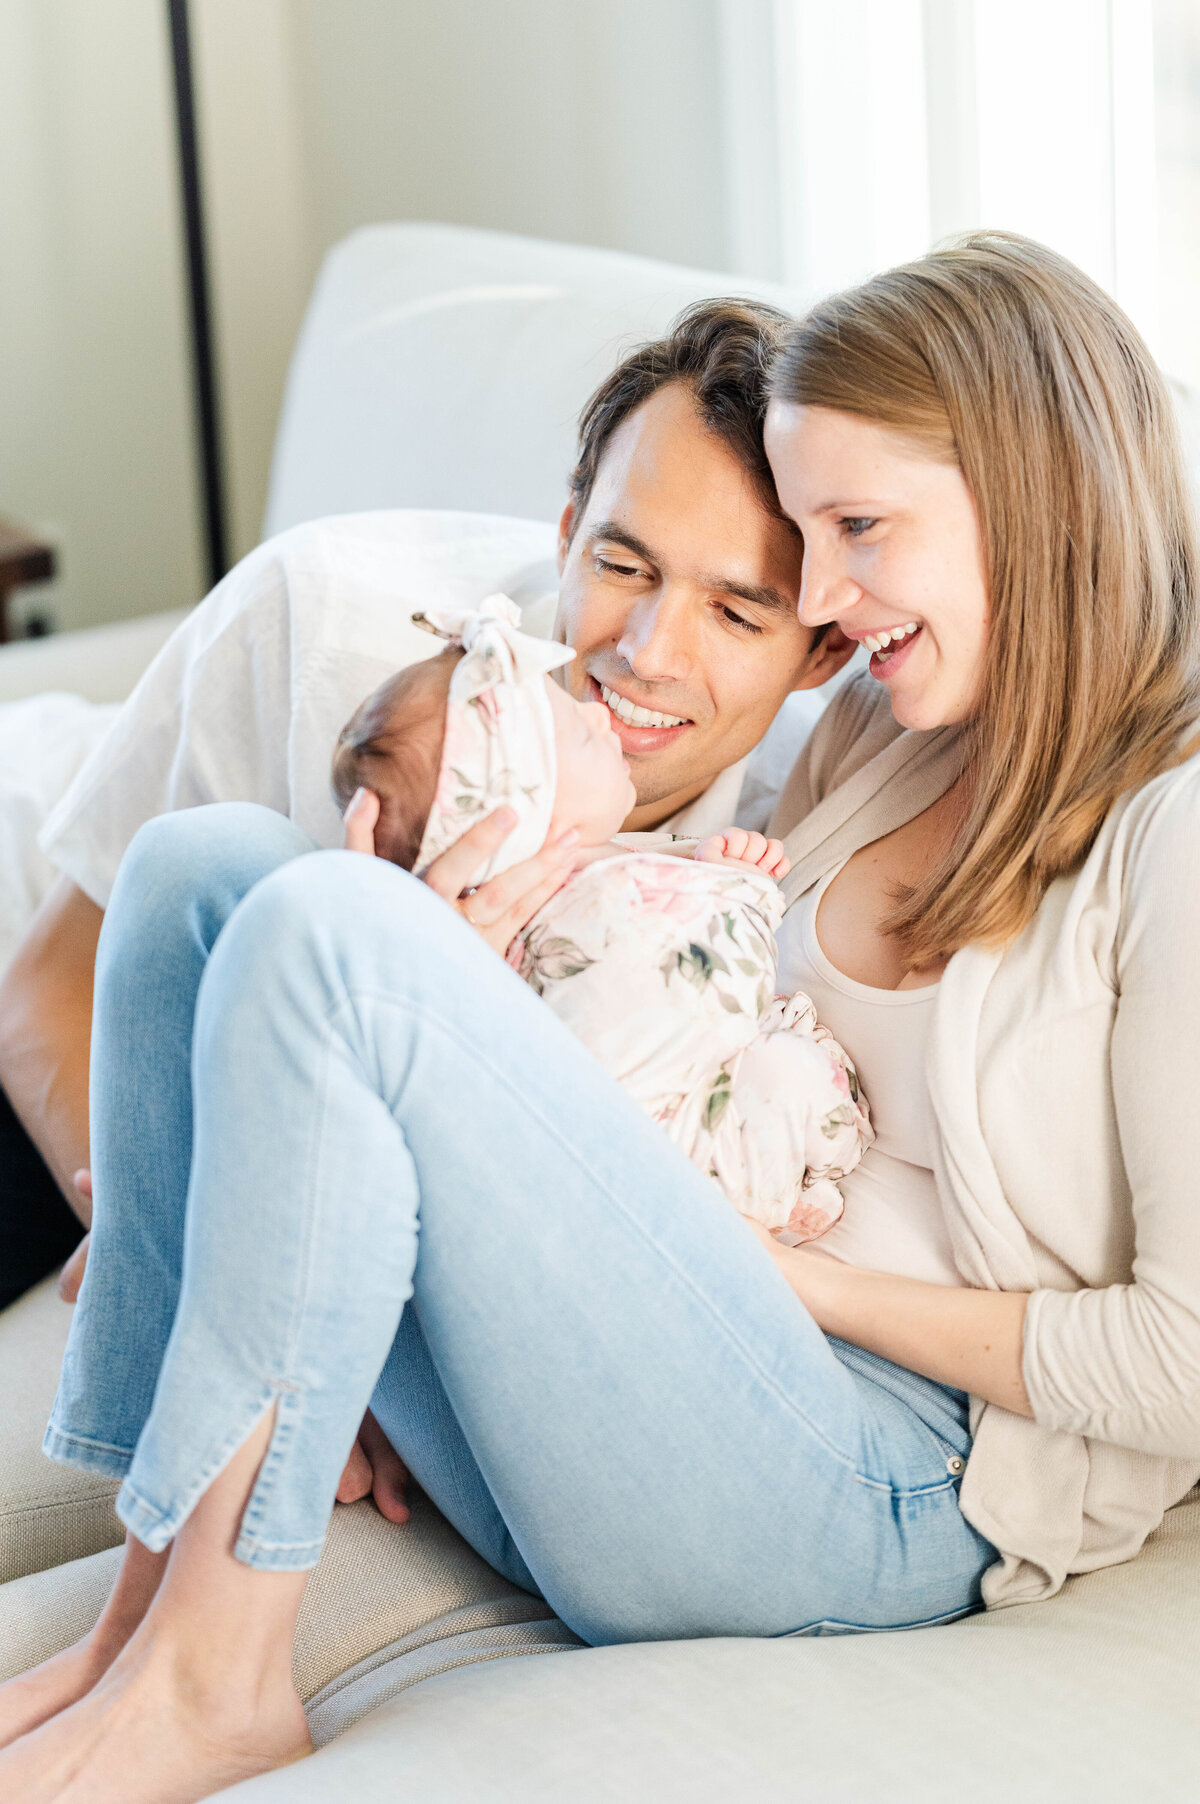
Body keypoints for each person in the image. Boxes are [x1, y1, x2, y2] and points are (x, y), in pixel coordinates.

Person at [5, 229, 1198, 1804]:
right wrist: (470, 973)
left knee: (334, 928)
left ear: (1031, 501)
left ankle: (217, 1687)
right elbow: (683, 1026)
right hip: (665, 1343)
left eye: (858, 530)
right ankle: (147, 1618)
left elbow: (1184, 1362)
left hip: (883, 1470)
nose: (828, 598)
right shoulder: (885, 728)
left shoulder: (1171, 830)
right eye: (815, 538)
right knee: (206, 867)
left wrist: (805, 1285)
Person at [0, 298, 853, 1310]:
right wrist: (175, 1240)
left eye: (736, 613)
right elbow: (47, 991)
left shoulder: (798, 824)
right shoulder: (319, 619)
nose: (649, 653)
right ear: (569, 533)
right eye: (623, 566)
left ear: (824, 651)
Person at [332, 595, 869, 1237]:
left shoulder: (578, 884)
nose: (596, 713)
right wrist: (742, 886)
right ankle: (775, 1194)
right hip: (669, 1178)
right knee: (789, 1078)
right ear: (524, 827)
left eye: (736, 614)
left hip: (591, 1179)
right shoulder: (603, 899)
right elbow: (715, 960)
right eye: (579, 737)